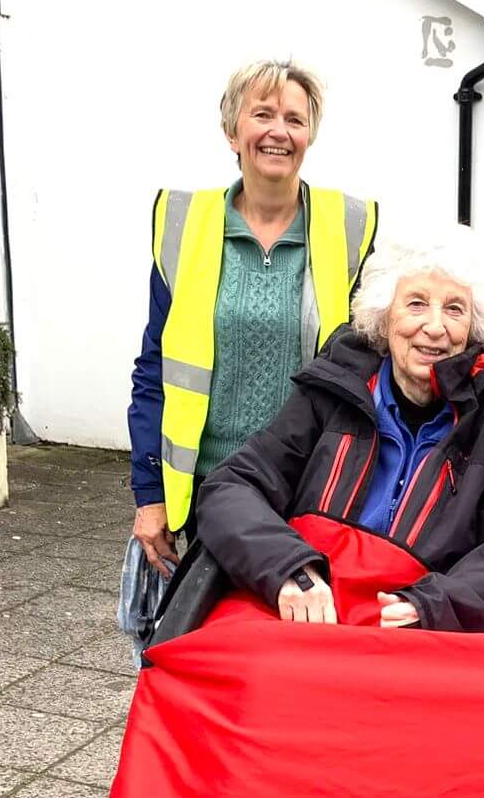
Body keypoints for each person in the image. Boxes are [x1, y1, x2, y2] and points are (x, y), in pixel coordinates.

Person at [195, 230, 484, 632]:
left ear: (474, 328)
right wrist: (287, 567)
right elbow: (231, 487)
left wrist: (438, 605)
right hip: (307, 611)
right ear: (385, 315)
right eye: (417, 304)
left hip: (416, 630)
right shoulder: (332, 390)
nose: (435, 327)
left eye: (455, 309)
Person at [127, 60, 378, 580]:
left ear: (310, 135)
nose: (278, 132)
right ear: (231, 131)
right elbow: (156, 369)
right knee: (208, 641)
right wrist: (149, 495)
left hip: (310, 486)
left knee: (300, 642)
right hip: (206, 489)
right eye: (262, 114)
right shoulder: (184, 223)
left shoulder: (350, 226)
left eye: (295, 118)